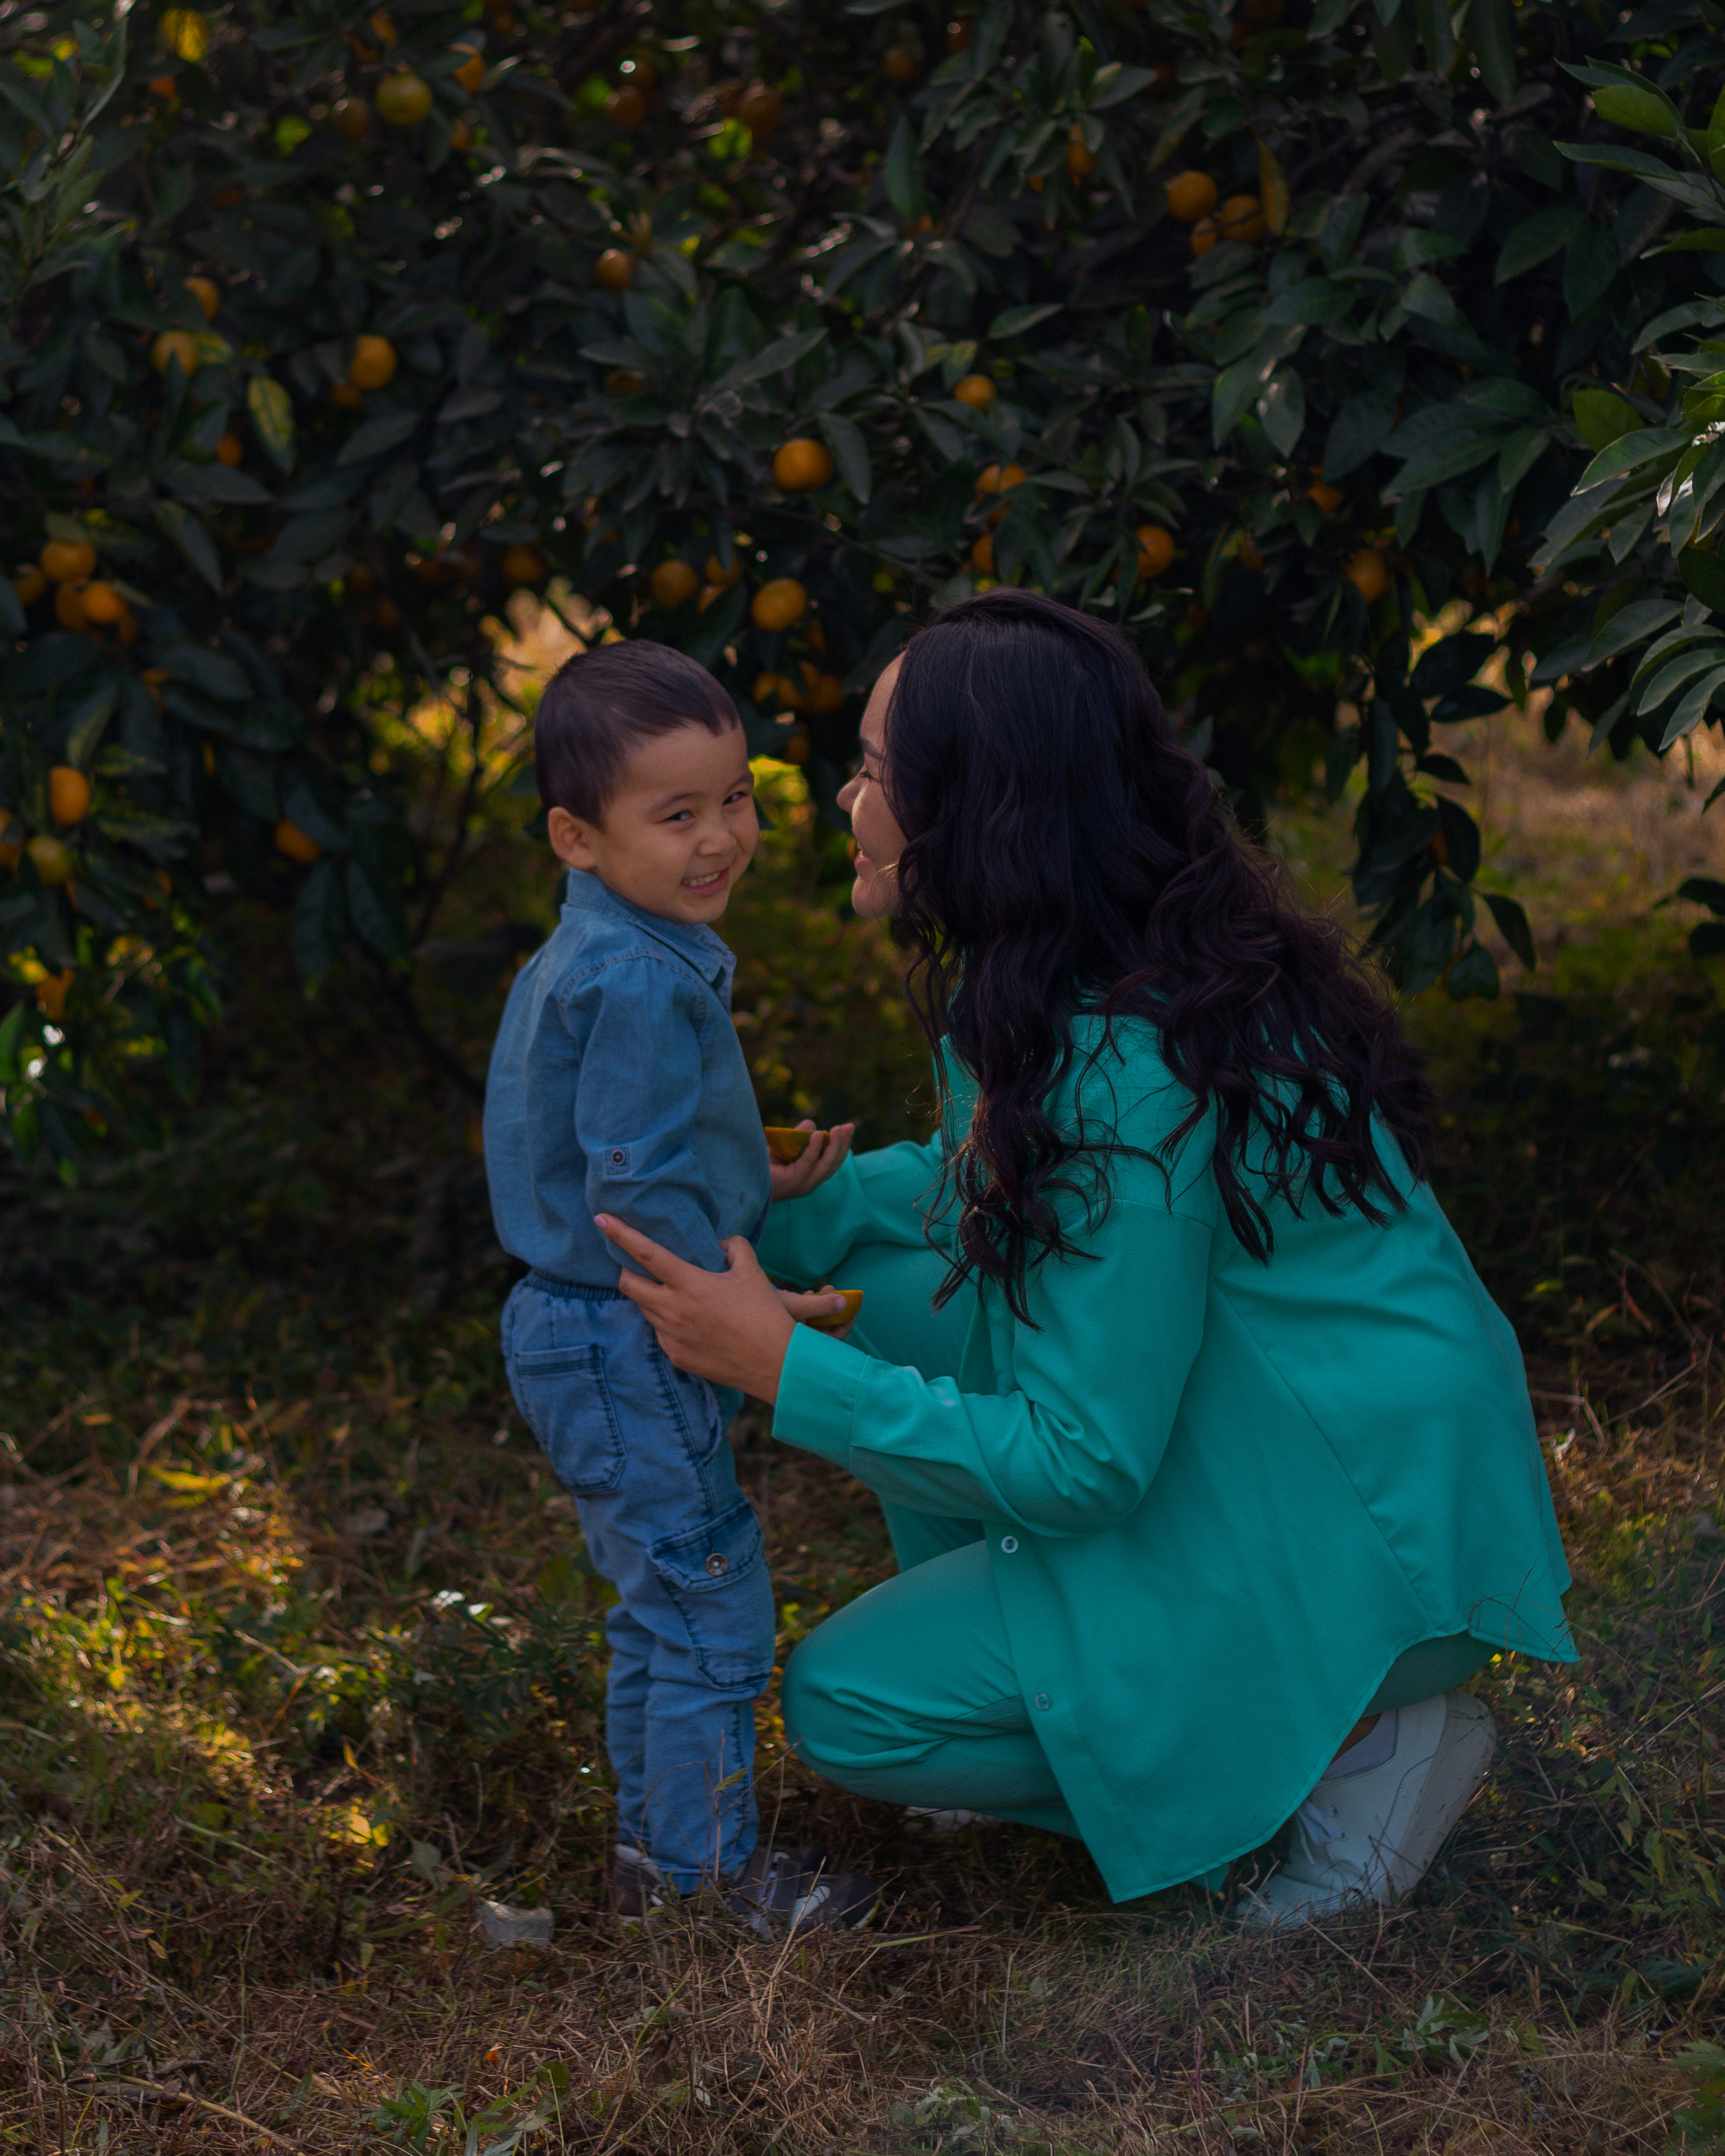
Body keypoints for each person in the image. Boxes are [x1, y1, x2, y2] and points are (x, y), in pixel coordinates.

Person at [596, 590, 1577, 1927]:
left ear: (974, 812)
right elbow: (959, 1198)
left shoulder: (1126, 1077)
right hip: (1277, 1446)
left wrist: (775, 1366)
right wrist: (761, 1217)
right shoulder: (1076, 973)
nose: (843, 798)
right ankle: (1132, 1680)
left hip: (1355, 1546)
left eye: (878, 769)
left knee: (846, 1705)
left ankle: (1338, 1757)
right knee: (881, 1292)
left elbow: (1085, 1459)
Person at [482, 640, 874, 1932]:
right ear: (576, 836)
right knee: (714, 1606)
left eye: (737, 798)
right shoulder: (645, 980)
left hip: (579, 1324)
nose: (721, 840)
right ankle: (706, 1889)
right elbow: (633, 1192)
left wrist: (756, 1176)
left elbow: (600, 1146)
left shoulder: (590, 954)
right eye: (677, 814)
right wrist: (751, 1297)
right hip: (627, 1330)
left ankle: (662, 1863)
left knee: (659, 1607)